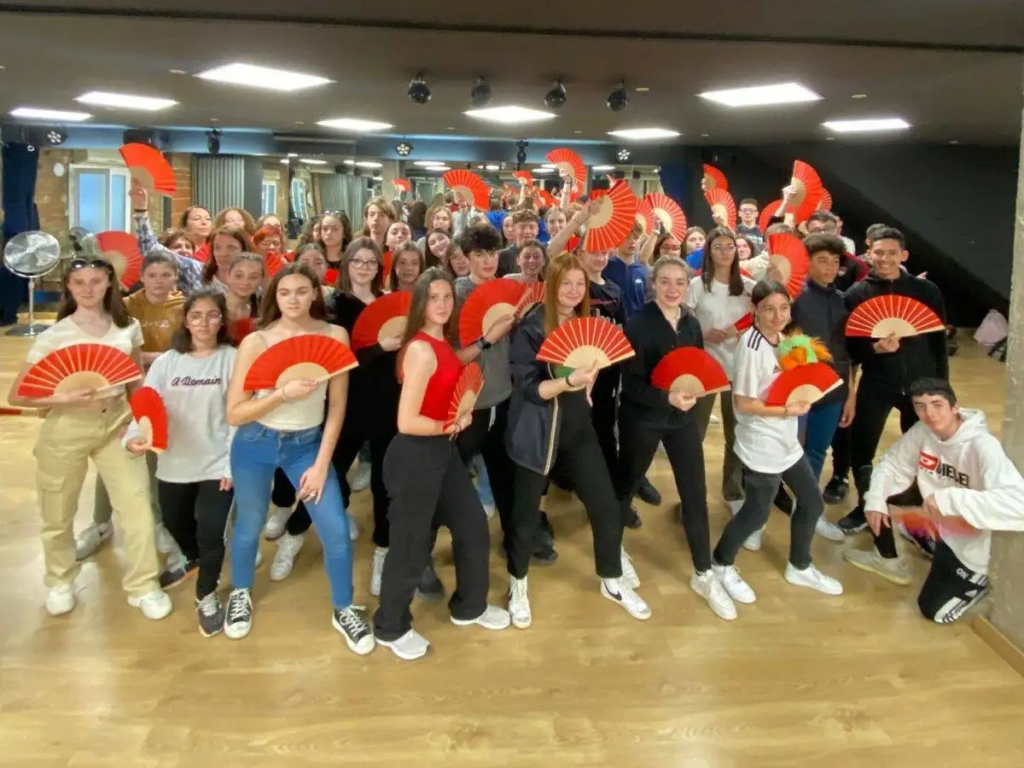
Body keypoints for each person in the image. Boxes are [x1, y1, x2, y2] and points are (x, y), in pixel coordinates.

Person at [7, 256, 171, 619]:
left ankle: (144, 585)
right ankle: (59, 579)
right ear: (68, 287)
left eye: (95, 281)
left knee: (137, 505)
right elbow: (17, 396)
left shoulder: (127, 327)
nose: (87, 289)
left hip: (116, 424)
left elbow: (136, 380)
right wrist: (60, 398)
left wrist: (143, 421)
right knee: (57, 509)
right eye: (79, 283)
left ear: (109, 283)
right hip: (67, 427)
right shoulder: (55, 335)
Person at [222, 264, 373, 653]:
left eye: (302, 291)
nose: (293, 299)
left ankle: (344, 608)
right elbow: (234, 413)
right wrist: (279, 395)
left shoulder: (335, 335)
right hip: (254, 442)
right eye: (285, 292)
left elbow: (337, 408)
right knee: (250, 524)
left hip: (307, 445)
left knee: (336, 530)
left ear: (314, 295)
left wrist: (323, 464)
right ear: (275, 297)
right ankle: (241, 592)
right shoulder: (258, 342)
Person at [505, 254, 651, 628]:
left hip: (579, 430)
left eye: (579, 284)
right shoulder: (531, 328)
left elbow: (593, 364)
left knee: (605, 506)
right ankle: (517, 583)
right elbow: (528, 389)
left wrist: (586, 385)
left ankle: (611, 579)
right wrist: (567, 383)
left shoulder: (587, 324)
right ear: (552, 285)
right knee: (523, 519)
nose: (573, 291)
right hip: (536, 433)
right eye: (565, 283)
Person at [373, 268, 511, 660]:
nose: (442, 304)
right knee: (410, 547)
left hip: (442, 452)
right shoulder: (419, 349)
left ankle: (471, 607)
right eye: (434, 298)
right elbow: (406, 420)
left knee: (472, 526)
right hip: (416, 454)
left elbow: (454, 361)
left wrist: (486, 340)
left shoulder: (440, 342)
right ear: (421, 303)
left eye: (447, 297)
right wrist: (448, 423)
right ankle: (390, 626)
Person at [271, 238, 399, 592]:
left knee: (384, 484)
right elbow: (334, 357)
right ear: (346, 265)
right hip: (346, 402)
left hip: (387, 404)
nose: (364, 267)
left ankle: (383, 552)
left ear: (378, 267)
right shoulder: (331, 304)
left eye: (370, 262)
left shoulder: (390, 303)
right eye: (357, 261)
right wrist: (378, 348)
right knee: (325, 475)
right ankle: (293, 536)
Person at [710, 280, 844, 605]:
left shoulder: (784, 339)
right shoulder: (751, 348)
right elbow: (742, 403)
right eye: (768, 308)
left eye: (783, 307)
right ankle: (720, 564)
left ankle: (799, 565)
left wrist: (801, 398)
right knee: (756, 513)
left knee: (811, 503)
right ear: (754, 310)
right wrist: (789, 409)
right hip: (761, 443)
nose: (777, 315)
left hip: (785, 440)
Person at [847, 378, 1024, 622]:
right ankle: (916, 546)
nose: (929, 414)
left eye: (937, 404)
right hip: (940, 519)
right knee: (873, 481)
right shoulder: (923, 430)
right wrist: (875, 500)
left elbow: (1019, 504)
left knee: (933, 610)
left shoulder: (982, 446)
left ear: (955, 407)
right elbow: (892, 465)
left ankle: (978, 580)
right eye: (920, 406)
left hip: (970, 537)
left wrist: (950, 498)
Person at [616, 257, 735, 619]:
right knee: (627, 484)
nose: (672, 289)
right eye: (664, 281)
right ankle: (614, 553)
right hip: (643, 419)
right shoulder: (637, 324)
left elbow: (694, 368)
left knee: (694, 492)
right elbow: (630, 385)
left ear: (687, 286)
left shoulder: (691, 323)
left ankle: (703, 571)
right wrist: (665, 397)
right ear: (653, 283)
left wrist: (690, 396)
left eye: (679, 283)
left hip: (682, 419)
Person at [124, 290, 236, 636]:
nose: (204, 322)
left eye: (213, 315)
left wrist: (233, 465)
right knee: (175, 522)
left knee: (211, 533)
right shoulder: (167, 362)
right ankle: (191, 559)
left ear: (222, 320)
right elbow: (145, 405)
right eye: (197, 315)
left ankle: (206, 594)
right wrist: (133, 437)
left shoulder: (232, 358)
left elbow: (238, 417)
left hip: (218, 463)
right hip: (172, 462)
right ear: (186, 321)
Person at [786, 233, 852, 542]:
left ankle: (809, 511)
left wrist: (849, 393)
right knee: (784, 450)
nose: (829, 267)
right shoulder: (793, 297)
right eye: (822, 260)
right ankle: (761, 510)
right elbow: (782, 343)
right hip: (797, 385)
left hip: (835, 387)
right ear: (808, 262)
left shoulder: (843, 300)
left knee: (817, 451)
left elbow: (848, 351)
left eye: (835, 262)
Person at [686, 227, 755, 522]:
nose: (725, 252)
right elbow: (683, 324)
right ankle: (690, 493)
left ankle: (733, 491)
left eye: (730, 247)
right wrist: (702, 334)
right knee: (693, 434)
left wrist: (743, 332)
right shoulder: (697, 285)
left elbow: (763, 318)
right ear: (709, 252)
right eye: (718, 247)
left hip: (739, 369)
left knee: (735, 433)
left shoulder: (750, 286)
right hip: (704, 369)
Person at [602, 221, 650, 319]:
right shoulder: (605, 267)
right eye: (627, 237)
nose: (632, 241)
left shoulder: (644, 272)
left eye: (636, 238)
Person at [201, 228, 250, 294]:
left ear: (243, 250)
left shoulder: (253, 281)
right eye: (217, 247)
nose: (223, 254)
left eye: (231, 248)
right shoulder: (200, 279)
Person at [497, 209, 540, 276]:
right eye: (522, 227)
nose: (527, 231)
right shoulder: (502, 256)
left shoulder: (544, 254)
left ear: (537, 230)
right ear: (514, 229)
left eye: (531, 227)